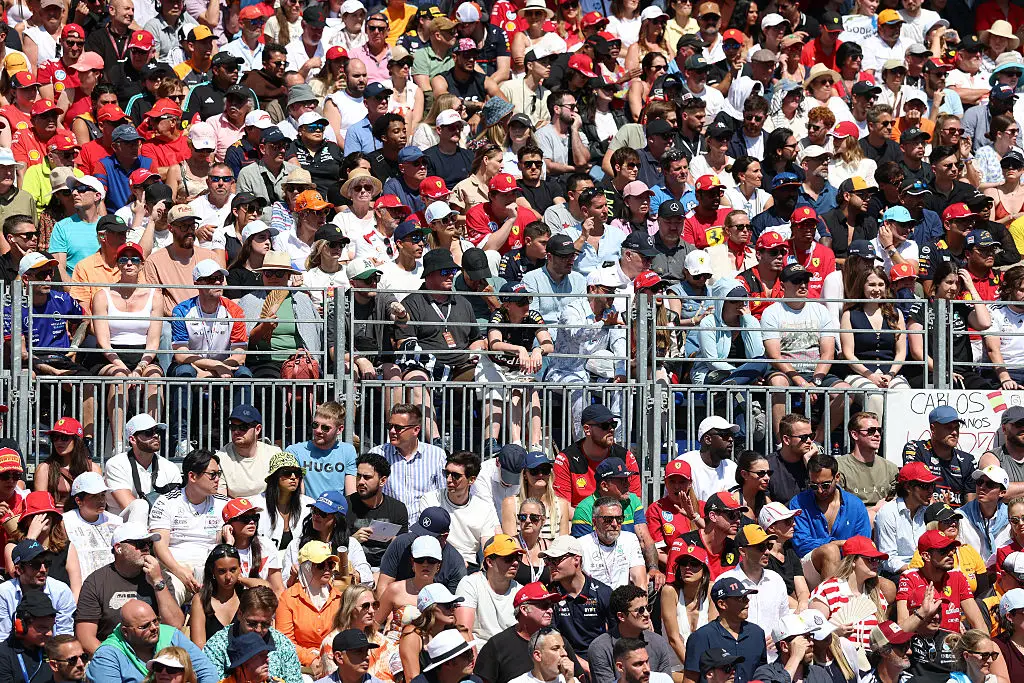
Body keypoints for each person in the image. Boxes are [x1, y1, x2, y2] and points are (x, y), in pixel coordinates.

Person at [75, 523, 184, 654]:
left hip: (156, 658)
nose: (145, 548)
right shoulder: (96, 582)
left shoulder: (160, 578)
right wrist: (114, 661)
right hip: (112, 655)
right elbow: (86, 637)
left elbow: (175, 625)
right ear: (119, 548)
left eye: (148, 544)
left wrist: (157, 582)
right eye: (139, 544)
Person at [149, 449, 229, 602]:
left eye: (219, 474)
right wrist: (179, 571)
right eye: (212, 474)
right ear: (192, 476)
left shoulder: (224, 504)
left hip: (213, 569)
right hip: (175, 568)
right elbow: (159, 547)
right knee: (172, 592)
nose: (217, 479)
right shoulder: (166, 502)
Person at [86, 599, 217, 683]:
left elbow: (206, 671)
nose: (154, 628)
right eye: (145, 626)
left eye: (155, 621)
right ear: (125, 632)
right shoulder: (107, 655)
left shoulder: (170, 635)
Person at [790, 453, 872, 586]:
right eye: (814, 486)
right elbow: (801, 545)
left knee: (889, 588)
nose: (820, 491)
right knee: (830, 551)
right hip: (811, 566)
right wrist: (837, 543)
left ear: (837, 477)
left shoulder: (855, 505)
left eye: (826, 485)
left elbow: (863, 544)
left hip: (849, 566)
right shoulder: (798, 503)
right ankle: (833, 604)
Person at [202, 586, 302, 683]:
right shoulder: (217, 645)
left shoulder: (283, 645)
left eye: (265, 624)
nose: (258, 630)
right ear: (240, 614)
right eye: (252, 623)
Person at [895, 529, 988, 634]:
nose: (951, 553)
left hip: (952, 645)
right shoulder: (909, 578)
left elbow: (979, 625)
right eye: (943, 550)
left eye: (952, 549)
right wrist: (922, 612)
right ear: (926, 556)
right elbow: (900, 631)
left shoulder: (957, 576)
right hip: (920, 646)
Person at [683, 577, 768, 683]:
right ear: (722, 604)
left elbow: (762, 675)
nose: (747, 601)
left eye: (746, 596)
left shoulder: (757, 634)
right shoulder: (701, 637)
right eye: (740, 598)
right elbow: (690, 680)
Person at [589, 584, 679, 683]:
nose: (647, 614)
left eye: (647, 608)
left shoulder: (658, 642)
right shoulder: (600, 648)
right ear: (621, 616)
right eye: (640, 610)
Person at [543, 535, 614, 661]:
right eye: (548, 560)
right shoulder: (549, 596)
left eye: (556, 559)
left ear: (576, 559)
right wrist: (582, 666)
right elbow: (551, 641)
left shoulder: (603, 592)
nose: (550, 564)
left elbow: (617, 636)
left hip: (601, 659)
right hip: (563, 659)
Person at [102, 415, 182, 523]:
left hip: (160, 526)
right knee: (139, 506)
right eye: (148, 432)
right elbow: (129, 506)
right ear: (133, 439)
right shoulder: (116, 464)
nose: (155, 436)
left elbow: (176, 507)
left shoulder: (170, 467)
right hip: (123, 528)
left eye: (157, 431)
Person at [718, 524, 789, 634]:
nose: (767, 552)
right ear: (743, 551)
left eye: (769, 546)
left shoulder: (776, 580)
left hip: (772, 650)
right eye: (760, 547)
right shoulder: (725, 581)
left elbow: (784, 620)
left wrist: (778, 637)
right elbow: (717, 625)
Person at [902, 405, 979, 507]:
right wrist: (938, 510)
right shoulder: (916, 449)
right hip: (922, 515)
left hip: (956, 519)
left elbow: (970, 506)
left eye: (956, 427)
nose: (955, 432)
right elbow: (914, 490)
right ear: (933, 429)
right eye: (948, 428)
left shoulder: (968, 461)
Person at [454, 534, 523, 641]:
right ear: (490, 562)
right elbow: (464, 631)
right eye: (508, 558)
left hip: (510, 653)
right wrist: (474, 657)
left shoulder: (520, 591)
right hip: (480, 652)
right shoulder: (470, 584)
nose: (515, 563)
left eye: (518, 558)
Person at [63, 472, 123, 583]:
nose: (101, 500)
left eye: (103, 495)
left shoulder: (116, 521)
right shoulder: (65, 522)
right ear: (78, 501)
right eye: (94, 496)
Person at [836, 412, 899, 510]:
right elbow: (837, 507)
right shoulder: (840, 466)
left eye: (879, 430)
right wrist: (874, 510)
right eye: (871, 431)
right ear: (855, 435)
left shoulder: (890, 468)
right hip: (854, 521)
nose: (877, 434)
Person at [188, 544, 244, 648]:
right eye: (222, 571)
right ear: (213, 572)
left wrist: (241, 579)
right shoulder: (201, 600)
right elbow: (199, 647)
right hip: (211, 661)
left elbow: (267, 589)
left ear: (240, 569)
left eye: (233, 570)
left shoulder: (246, 597)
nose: (228, 577)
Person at [0, 591, 57, 683]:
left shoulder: (54, 649)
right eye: (42, 628)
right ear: (22, 626)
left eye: (51, 627)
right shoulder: (3, 655)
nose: (49, 633)